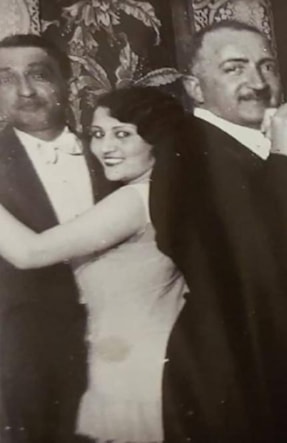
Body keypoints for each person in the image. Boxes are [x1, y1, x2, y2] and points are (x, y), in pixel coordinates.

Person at [149, 20, 287, 442]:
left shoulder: (275, 140)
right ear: (195, 88)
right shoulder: (186, 150)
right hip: (233, 378)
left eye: (267, 66)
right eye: (234, 68)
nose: (257, 82)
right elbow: (267, 262)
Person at [0, 87, 187, 442]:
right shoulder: (160, 193)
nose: (105, 148)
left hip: (135, 378)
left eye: (123, 134)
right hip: (139, 368)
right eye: (98, 134)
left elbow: (29, 253)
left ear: (157, 140)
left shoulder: (135, 200)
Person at [0, 33, 115, 442]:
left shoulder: (114, 151)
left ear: (68, 82)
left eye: (38, 75)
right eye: (6, 79)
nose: (25, 91)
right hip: (28, 357)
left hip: (120, 341)